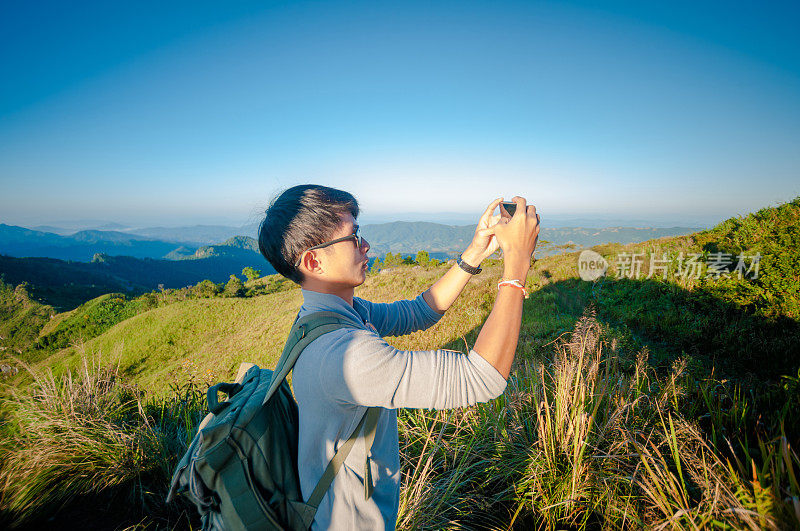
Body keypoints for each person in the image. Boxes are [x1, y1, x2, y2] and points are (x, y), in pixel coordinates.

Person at [257, 185, 540, 529]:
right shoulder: (344, 357)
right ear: (314, 261)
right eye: (353, 236)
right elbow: (481, 377)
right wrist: (517, 266)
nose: (365, 245)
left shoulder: (331, 314)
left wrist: (476, 252)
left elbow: (417, 313)